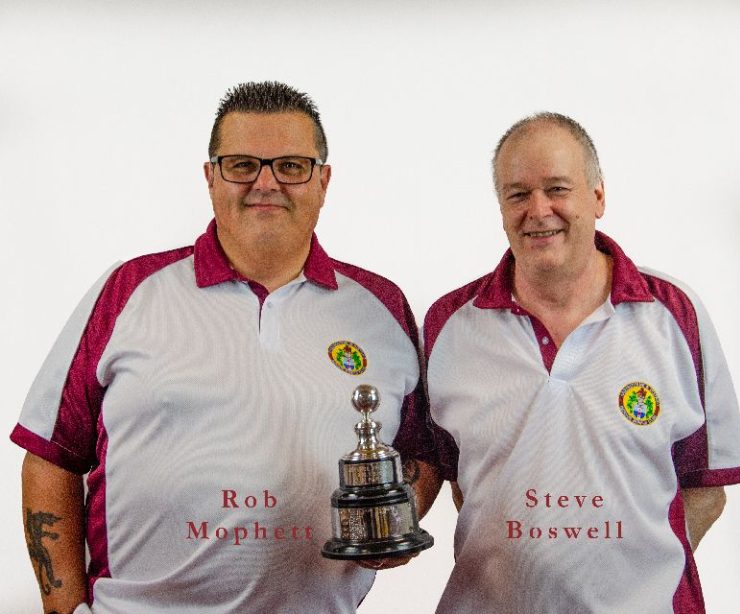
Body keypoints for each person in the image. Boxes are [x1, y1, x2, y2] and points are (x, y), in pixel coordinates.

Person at [13, 81, 441, 613]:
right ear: (210, 176)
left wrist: (390, 525)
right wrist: (62, 609)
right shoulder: (128, 291)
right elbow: (51, 455)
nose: (266, 182)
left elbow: (420, 451)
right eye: (242, 164)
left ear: (324, 181)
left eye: (291, 165)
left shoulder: (380, 306)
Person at [423, 113, 740, 613]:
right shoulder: (449, 324)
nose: (538, 210)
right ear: (500, 208)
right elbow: (457, 480)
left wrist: (629, 583)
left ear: (598, 196)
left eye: (557, 188)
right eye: (517, 194)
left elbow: (707, 487)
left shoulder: (674, 315)